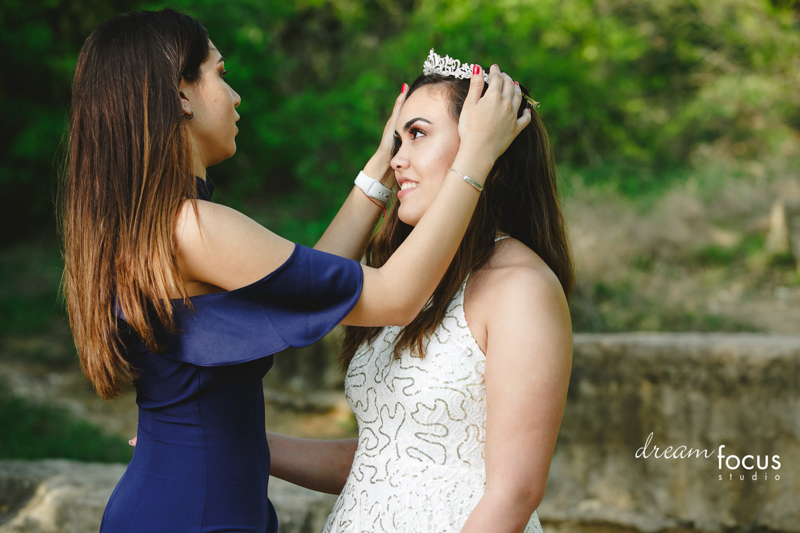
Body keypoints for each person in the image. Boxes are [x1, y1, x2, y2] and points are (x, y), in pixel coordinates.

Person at [57, 7, 528, 533]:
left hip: (181, 504)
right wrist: (475, 159)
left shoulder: (156, 225)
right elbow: (395, 294)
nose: (235, 97)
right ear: (181, 95)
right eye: (220, 73)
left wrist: (381, 163)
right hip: (197, 515)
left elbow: (308, 285)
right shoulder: (194, 225)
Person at [264, 49, 574, 533]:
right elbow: (387, 461)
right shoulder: (411, 282)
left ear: (484, 142)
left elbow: (514, 491)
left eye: (418, 135)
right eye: (396, 138)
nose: (397, 158)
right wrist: (246, 443)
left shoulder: (522, 288)